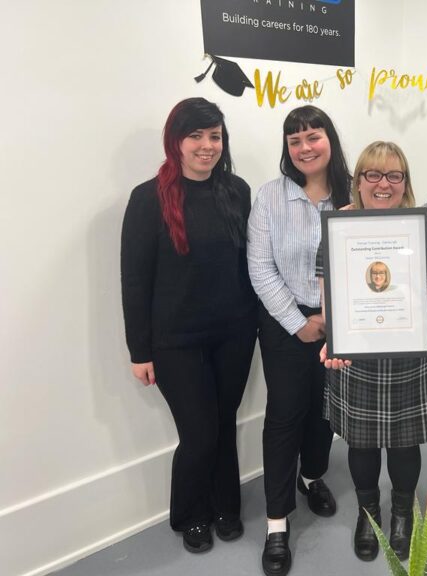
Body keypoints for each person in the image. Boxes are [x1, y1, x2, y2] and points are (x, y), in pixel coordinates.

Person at [120, 97, 258, 553]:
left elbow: (251, 263)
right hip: (176, 342)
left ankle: (226, 506)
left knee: (223, 422)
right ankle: (190, 514)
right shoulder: (147, 199)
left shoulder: (237, 191)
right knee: (199, 433)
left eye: (214, 136)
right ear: (175, 141)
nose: (206, 145)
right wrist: (140, 351)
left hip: (235, 334)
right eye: (195, 135)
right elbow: (134, 280)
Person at [319, 141, 427, 562]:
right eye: (374, 174)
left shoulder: (424, 225)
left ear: (405, 182)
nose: (384, 184)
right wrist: (333, 337)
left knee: (404, 443)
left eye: (394, 175)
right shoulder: (338, 227)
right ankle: (368, 515)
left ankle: (400, 514)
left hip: (409, 355)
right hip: (356, 355)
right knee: (360, 443)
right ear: (359, 181)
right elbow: (328, 296)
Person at [247, 105, 351, 576]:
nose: (305, 147)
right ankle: (276, 522)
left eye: (313, 137)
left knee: (326, 409)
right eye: (295, 140)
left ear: (330, 140)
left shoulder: (353, 196)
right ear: (287, 148)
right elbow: (260, 268)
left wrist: (332, 319)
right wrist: (298, 322)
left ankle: (311, 476)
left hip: (340, 323)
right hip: (283, 324)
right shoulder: (270, 197)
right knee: (285, 416)